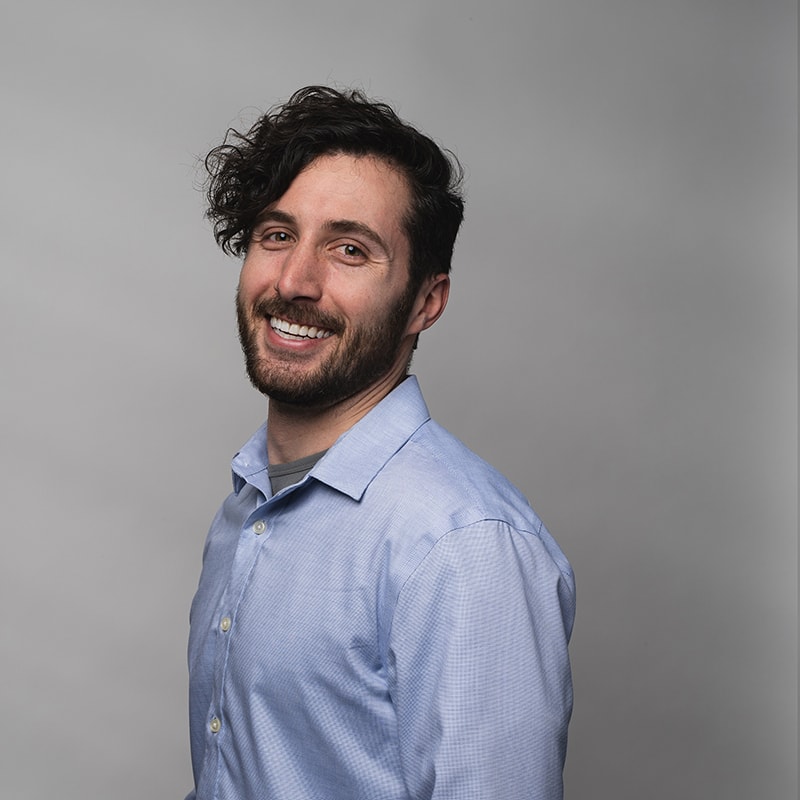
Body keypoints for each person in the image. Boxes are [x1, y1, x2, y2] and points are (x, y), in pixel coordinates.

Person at [186, 86, 575, 800]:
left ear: (425, 302)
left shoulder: (463, 548)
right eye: (277, 235)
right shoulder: (247, 504)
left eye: (349, 249)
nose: (295, 281)